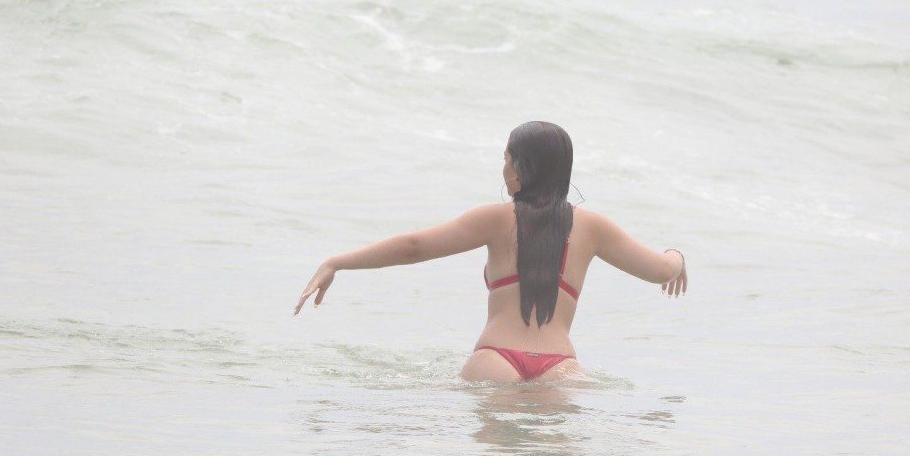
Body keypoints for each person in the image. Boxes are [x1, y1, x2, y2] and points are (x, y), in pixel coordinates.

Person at [293, 121, 687, 383]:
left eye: (506, 158)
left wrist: (337, 262)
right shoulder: (595, 228)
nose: (503, 167)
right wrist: (678, 258)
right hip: (561, 370)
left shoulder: (495, 220)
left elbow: (414, 248)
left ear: (521, 168)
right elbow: (660, 269)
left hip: (494, 361)